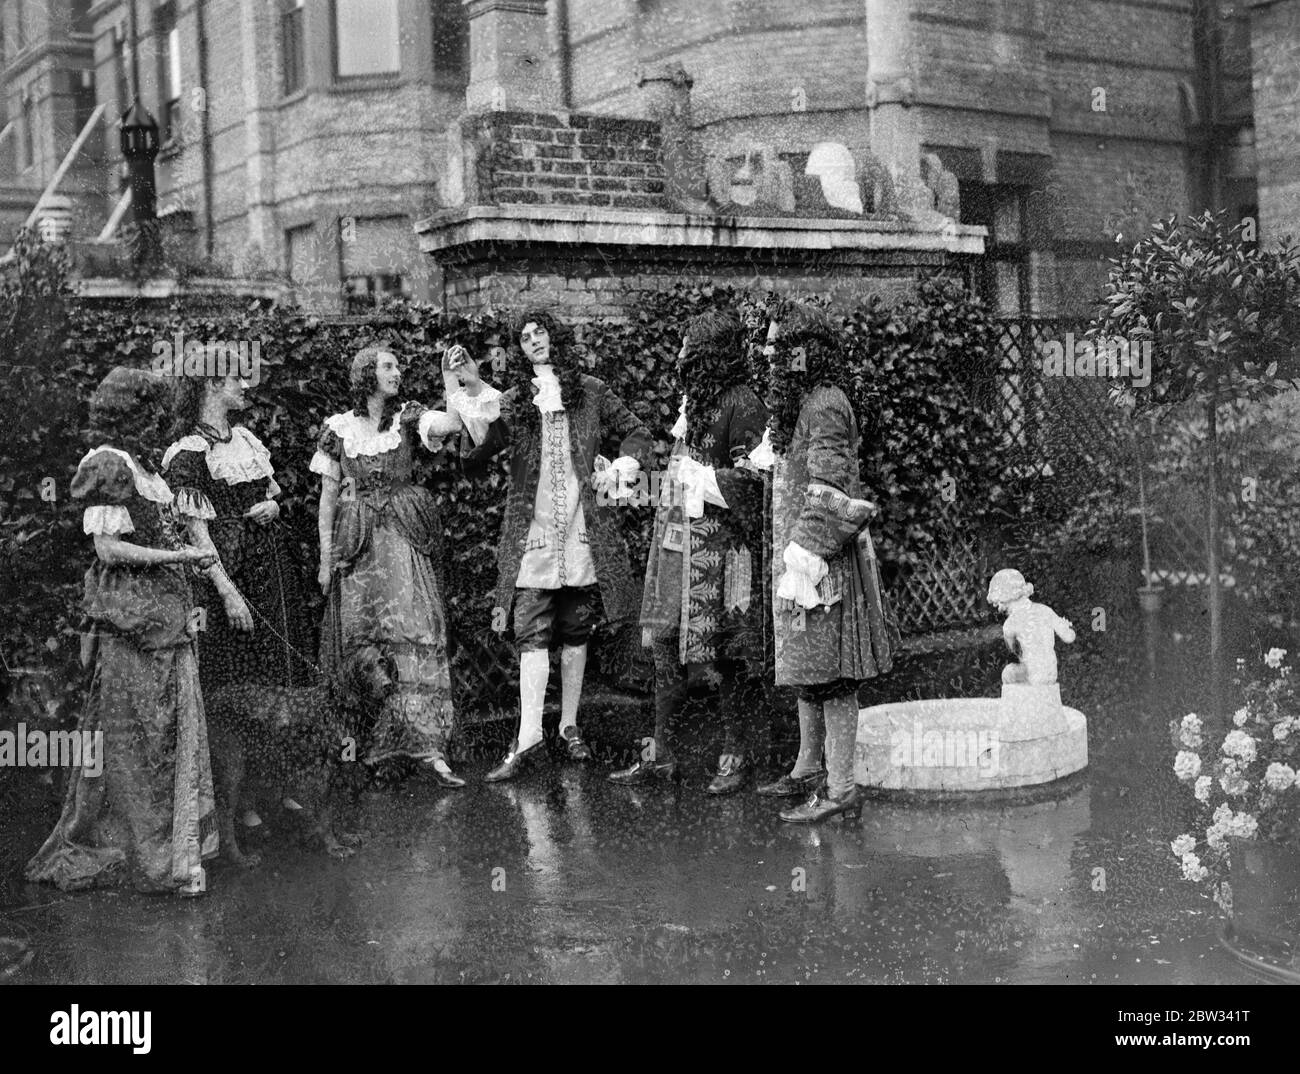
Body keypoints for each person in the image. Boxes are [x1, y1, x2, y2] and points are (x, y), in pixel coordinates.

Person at [25, 367, 219, 895]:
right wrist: (177, 554)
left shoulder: (147, 468)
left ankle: (176, 854)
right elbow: (108, 550)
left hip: (168, 616)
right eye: (152, 409)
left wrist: (187, 558)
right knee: (136, 737)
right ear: (131, 412)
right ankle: (155, 861)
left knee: (171, 729)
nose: (161, 418)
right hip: (130, 617)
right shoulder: (109, 464)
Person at [462, 309, 652, 782]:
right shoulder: (515, 400)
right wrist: (467, 399)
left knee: (576, 627)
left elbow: (638, 432)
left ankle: (569, 725)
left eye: (539, 332)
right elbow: (477, 455)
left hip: (583, 527)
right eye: (524, 338)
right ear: (519, 350)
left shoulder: (590, 390)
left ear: (555, 337)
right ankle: (528, 736)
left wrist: (622, 468)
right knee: (530, 627)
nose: (533, 341)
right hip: (533, 530)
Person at [609, 309, 770, 794]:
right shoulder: (694, 403)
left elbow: (756, 484)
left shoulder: (743, 403)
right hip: (678, 544)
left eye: (688, 349)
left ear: (710, 355)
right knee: (664, 650)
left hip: (723, 553)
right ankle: (660, 754)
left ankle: (735, 754)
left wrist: (700, 480)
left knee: (727, 655)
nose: (679, 357)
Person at [754, 302, 897, 823]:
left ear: (805, 351)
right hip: (804, 556)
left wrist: (805, 551)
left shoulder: (826, 402)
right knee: (808, 669)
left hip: (821, 559)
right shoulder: (807, 401)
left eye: (779, 345)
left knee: (834, 675)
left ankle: (840, 789)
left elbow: (832, 484)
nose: (771, 354)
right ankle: (807, 768)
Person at [311, 345, 464, 786]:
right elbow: (326, 502)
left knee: (414, 632)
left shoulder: (408, 418)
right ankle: (364, 752)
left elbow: (451, 424)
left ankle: (428, 749)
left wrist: (449, 378)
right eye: (388, 366)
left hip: (400, 545)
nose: (397, 372)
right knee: (360, 640)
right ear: (366, 375)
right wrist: (325, 560)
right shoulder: (338, 430)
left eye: (398, 366)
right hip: (357, 551)